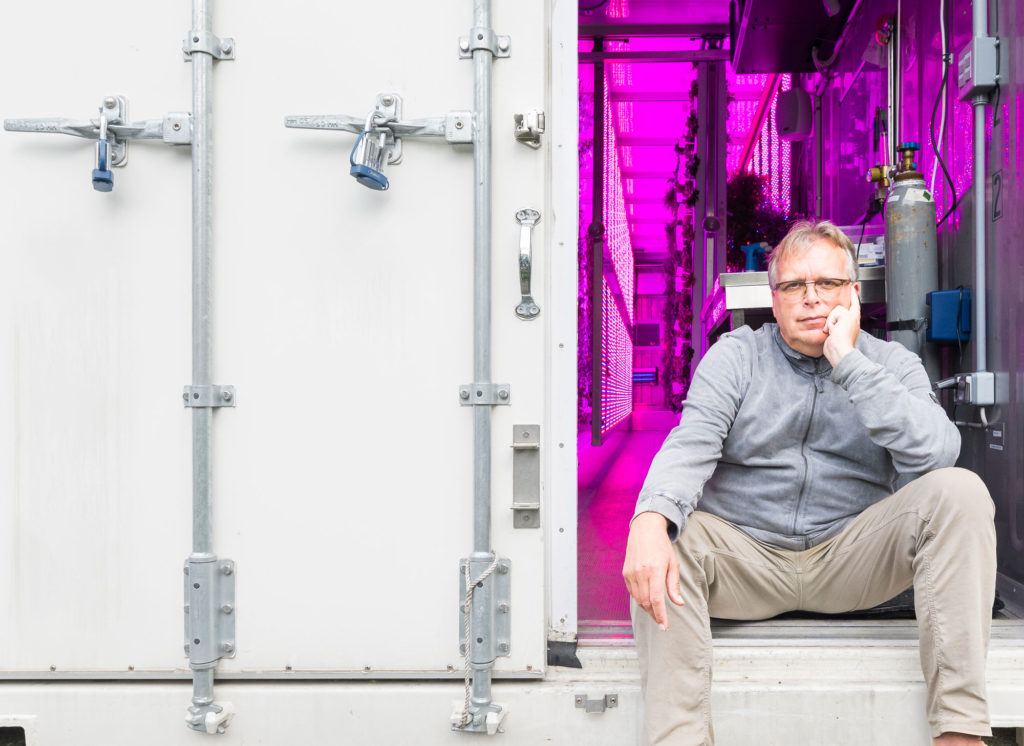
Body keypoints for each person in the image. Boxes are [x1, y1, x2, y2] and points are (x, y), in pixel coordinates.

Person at [622, 220, 996, 746]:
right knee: (668, 540)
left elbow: (937, 452)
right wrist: (649, 519)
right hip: (745, 559)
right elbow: (691, 443)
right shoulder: (736, 356)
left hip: (852, 557)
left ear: (854, 293)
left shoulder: (891, 362)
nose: (811, 298)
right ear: (774, 300)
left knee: (961, 492)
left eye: (828, 284)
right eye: (794, 286)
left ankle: (959, 734)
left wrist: (849, 363)